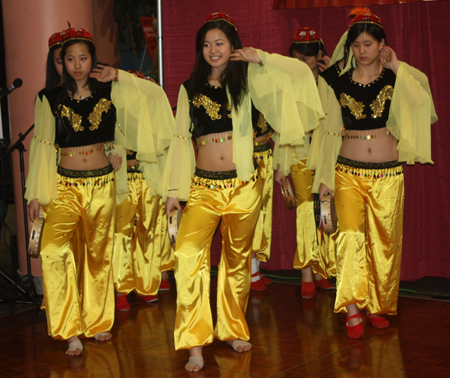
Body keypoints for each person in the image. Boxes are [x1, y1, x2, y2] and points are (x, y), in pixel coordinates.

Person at [161, 12, 323, 372]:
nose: (213, 50)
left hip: (244, 187)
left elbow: (299, 75)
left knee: (236, 263)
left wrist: (260, 57)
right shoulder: (190, 88)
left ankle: (232, 328)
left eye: (219, 43)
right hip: (203, 187)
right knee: (187, 256)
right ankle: (194, 342)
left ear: (233, 45)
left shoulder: (251, 81)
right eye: (206, 44)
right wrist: (174, 190)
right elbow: (179, 141)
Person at [25, 28, 174, 356]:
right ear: (61, 63)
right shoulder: (48, 99)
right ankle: (68, 328)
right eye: (70, 59)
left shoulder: (110, 90)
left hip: (102, 184)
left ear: (93, 60)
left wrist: (118, 75)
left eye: (83, 58)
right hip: (65, 186)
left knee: (99, 255)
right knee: (51, 249)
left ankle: (97, 322)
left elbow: (154, 97)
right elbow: (42, 146)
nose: (77, 65)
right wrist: (35, 194)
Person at [312, 13, 437, 339]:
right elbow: (326, 131)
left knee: (384, 241)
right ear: (350, 46)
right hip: (347, 172)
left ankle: (378, 306)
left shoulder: (396, 77)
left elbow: (422, 102)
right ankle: (353, 308)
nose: (362, 50)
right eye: (357, 44)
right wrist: (325, 177)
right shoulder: (336, 80)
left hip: (388, 174)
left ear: (382, 44)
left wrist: (396, 65)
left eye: (369, 43)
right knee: (350, 237)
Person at [274, 27, 338, 299]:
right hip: (298, 152)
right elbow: (281, 126)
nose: (304, 61)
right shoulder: (288, 84)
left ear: (319, 56)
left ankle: (325, 269)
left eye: (309, 56)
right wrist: (280, 165)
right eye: (299, 56)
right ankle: (306, 273)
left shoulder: (330, 81)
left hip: (325, 152)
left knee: (326, 210)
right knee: (304, 210)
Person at [114, 72, 175, 311]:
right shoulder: (115, 115)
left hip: (150, 178)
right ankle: (121, 287)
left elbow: (168, 150)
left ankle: (147, 284)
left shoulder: (155, 117)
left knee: (150, 230)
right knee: (121, 232)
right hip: (122, 180)